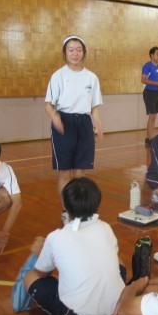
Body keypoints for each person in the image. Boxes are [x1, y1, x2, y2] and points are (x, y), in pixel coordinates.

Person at [23, 177, 126, 315]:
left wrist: (40, 253)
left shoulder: (55, 237)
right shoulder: (106, 228)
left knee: (30, 276)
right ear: (97, 204)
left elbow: (42, 273)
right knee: (118, 261)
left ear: (65, 205)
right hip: (118, 310)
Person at [44, 35, 104, 221]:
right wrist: (54, 117)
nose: (75, 53)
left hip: (84, 123)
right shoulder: (58, 76)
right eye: (71, 50)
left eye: (78, 50)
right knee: (65, 172)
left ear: (84, 53)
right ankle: (66, 211)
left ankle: (79, 211)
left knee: (80, 173)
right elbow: (48, 104)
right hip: (64, 122)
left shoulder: (92, 77)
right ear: (65, 53)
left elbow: (95, 106)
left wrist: (97, 122)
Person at [141, 46, 158, 146]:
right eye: (157, 54)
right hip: (149, 93)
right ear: (152, 55)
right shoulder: (147, 66)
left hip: (156, 93)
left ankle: (148, 138)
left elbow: (156, 82)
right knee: (152, 116)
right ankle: (151, 139)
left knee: (154, 117)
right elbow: (143, 80)